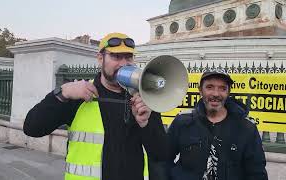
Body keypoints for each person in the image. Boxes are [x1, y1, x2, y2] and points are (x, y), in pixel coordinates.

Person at [23, 32, 168, 180]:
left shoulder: (143, 100)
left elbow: (161, 154)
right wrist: (62, 93)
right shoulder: (79, 94)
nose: (124, 63)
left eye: (128, 57)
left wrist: (146, 124)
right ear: (100, 58)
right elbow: (32, 127)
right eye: (116, 57)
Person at [166, 71, 268, 180]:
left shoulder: (246, 128)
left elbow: (257, 172)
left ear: (228, 92)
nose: (216, 94)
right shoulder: (182, 122)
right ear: (200, 90)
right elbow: (164, 159)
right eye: (209, 87)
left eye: (222, 88)